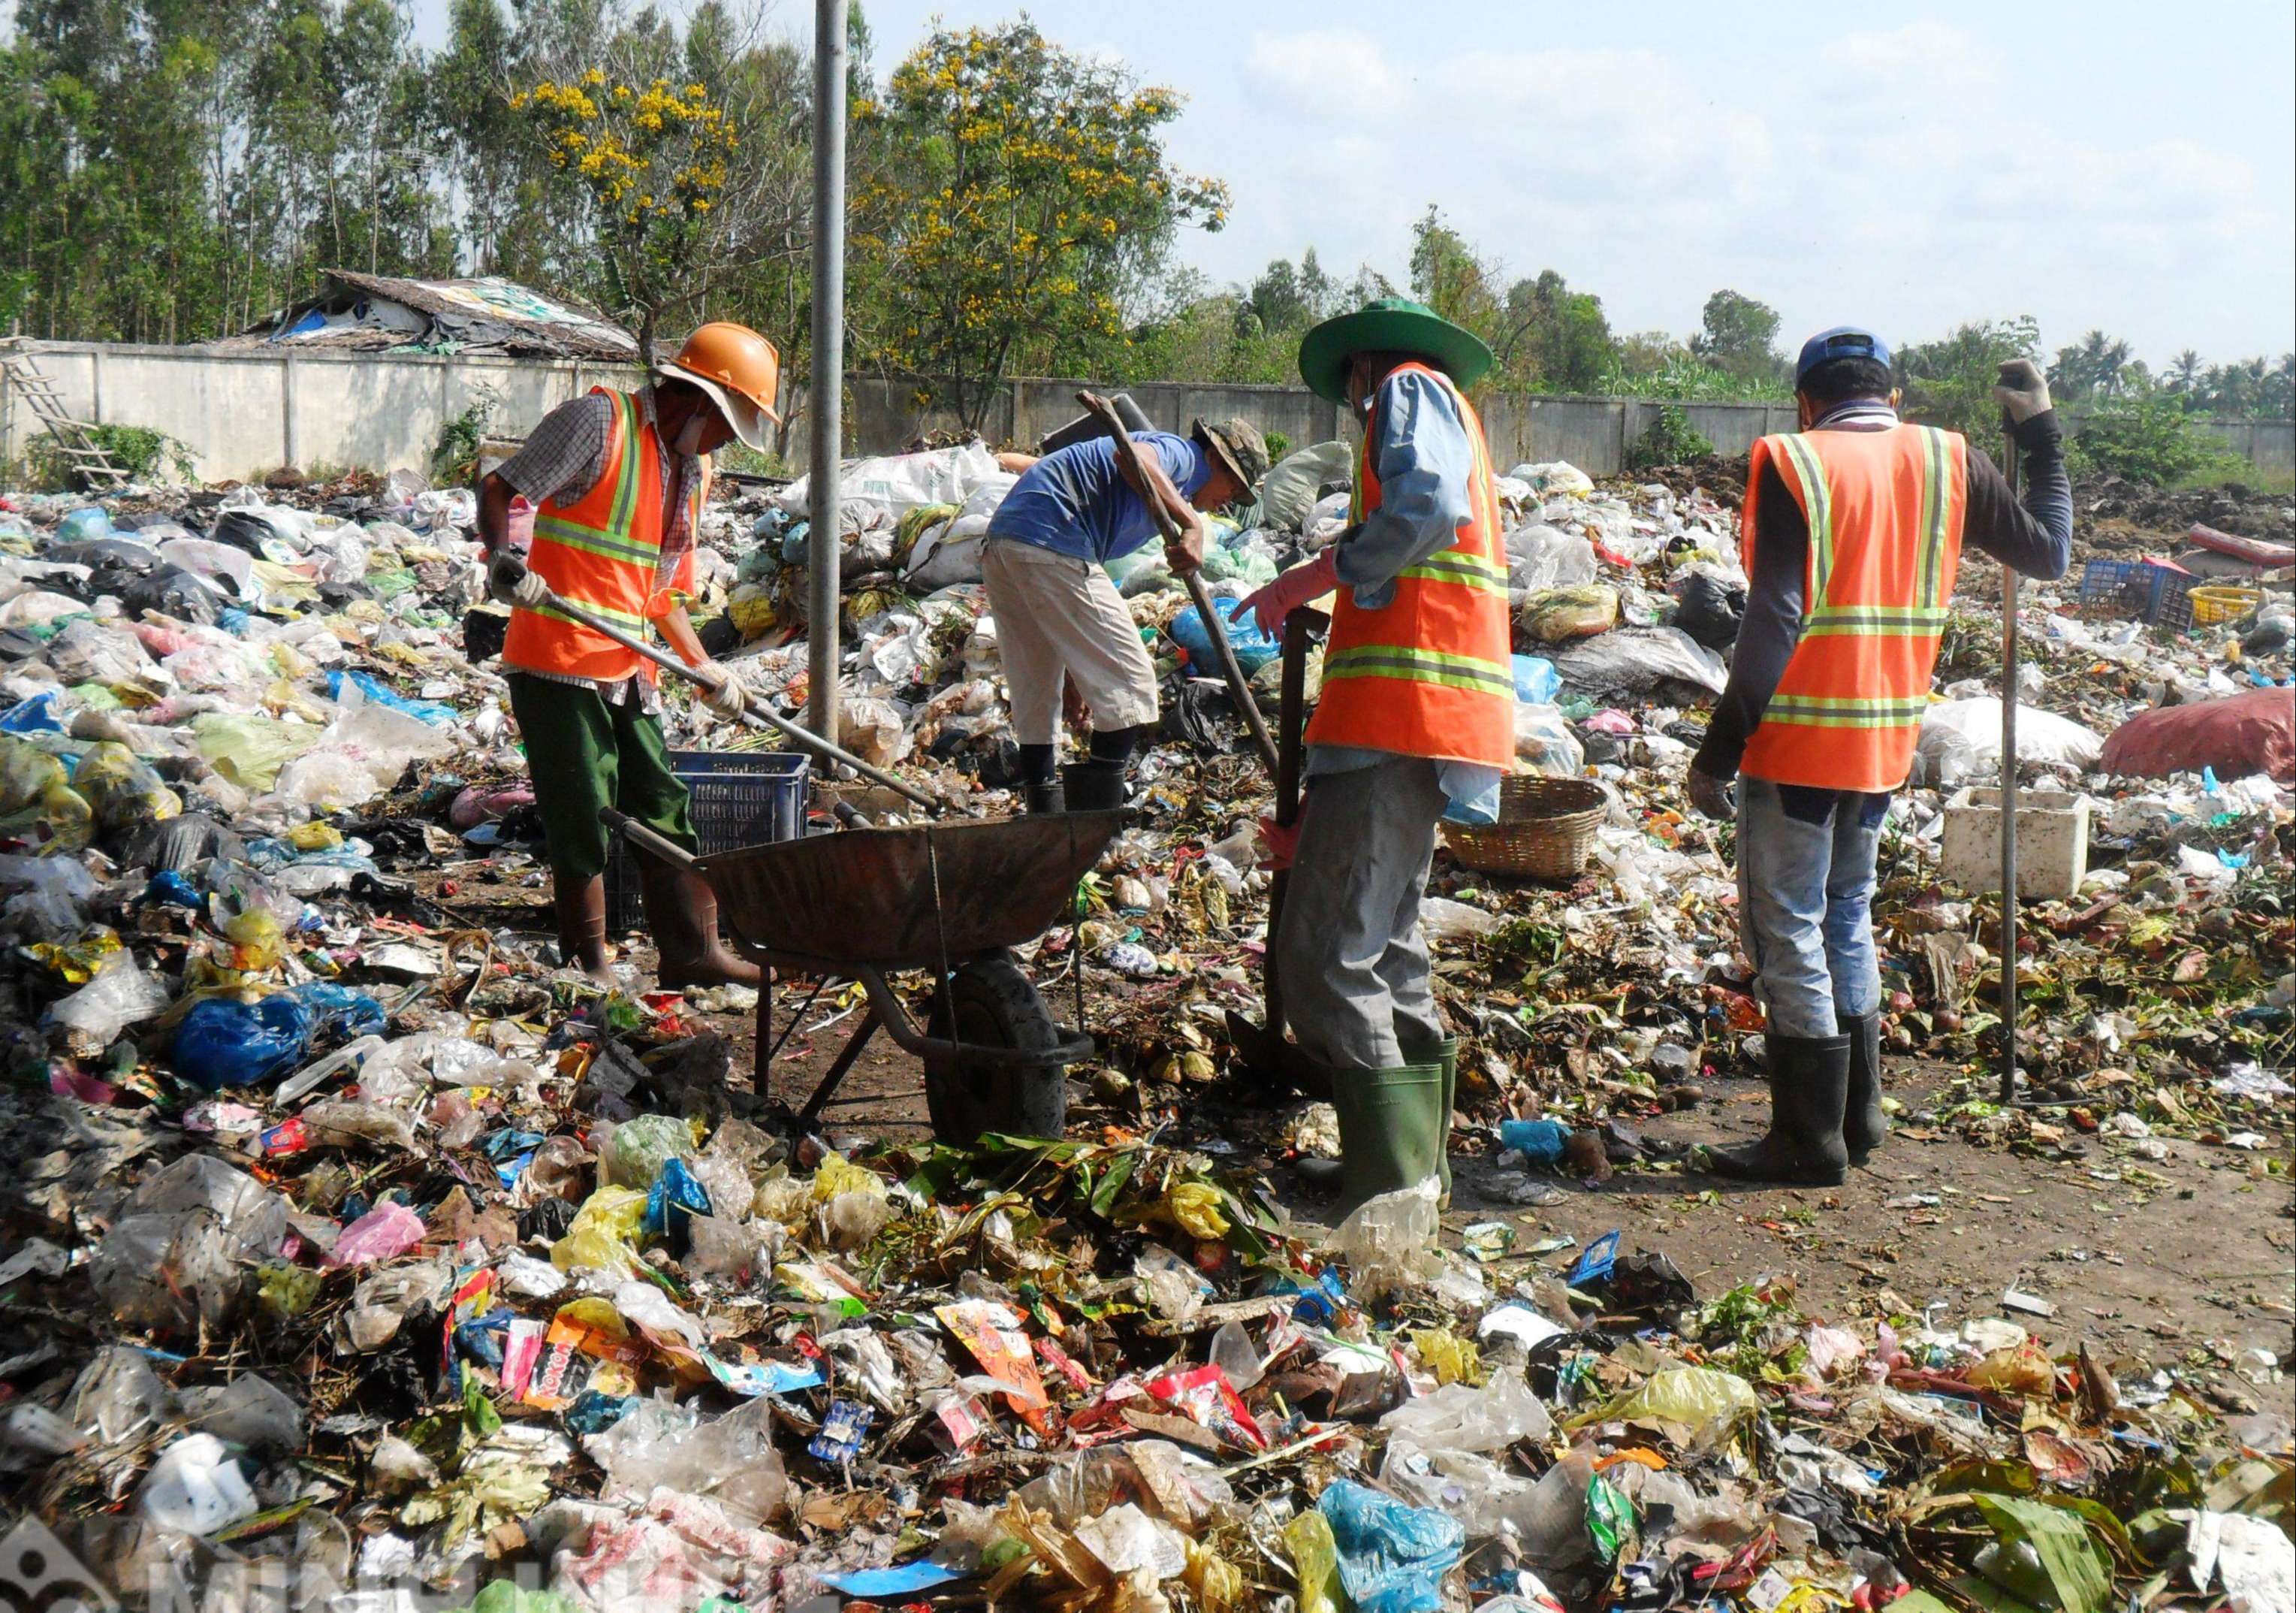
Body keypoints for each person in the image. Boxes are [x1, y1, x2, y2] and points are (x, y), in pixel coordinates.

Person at [1686, 329, 2071, 1184]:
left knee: (1786, 924)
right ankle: (1859, 1119)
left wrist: (1720, 746)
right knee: (1846, 913)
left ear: (1805, 402)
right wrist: (2040, 430)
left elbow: (1776, 615)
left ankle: (1807, 1139)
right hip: (1886, 741)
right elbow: (2051, 550)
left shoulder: (1794, 459)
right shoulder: (1949, 459)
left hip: (1796, 740)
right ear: (1891, 398)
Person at [1229, 298, 1516, 1213]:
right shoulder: (1437, 402)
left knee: (1324, 957)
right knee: (1386, 945)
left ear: (1360, 369)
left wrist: (1314, 574)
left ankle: (1391, 1191)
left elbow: (1429, 503)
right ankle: (1409, 1172)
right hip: (1421, 719)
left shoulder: (1408, 387)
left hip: (1406, 712)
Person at [476, 321, 781, 989]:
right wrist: (504, 560)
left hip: (630, 666)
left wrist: (706, 669)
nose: (729, 442)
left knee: (661, 800)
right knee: (582, 809)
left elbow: (663, 592)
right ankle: (589, 966)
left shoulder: (693, 472)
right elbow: (500, 487)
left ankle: (691, 953)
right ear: (701, 402)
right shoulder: (599, 423)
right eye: (730, 426)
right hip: (558, 658)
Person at [982, 416, 1268, 811]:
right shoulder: (1183, 455)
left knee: (1036, 684)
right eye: (1233, 485)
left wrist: (1077, 674)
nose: (1230, 499)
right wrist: (1191, 524)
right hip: (1053, 536)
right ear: (1214, 458)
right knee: (1133, 682)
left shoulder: (1176, 475)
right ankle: (1096, 818)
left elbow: (1065, 617)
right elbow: (1129, 456)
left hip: (1006, 542)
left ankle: (1043, 813)